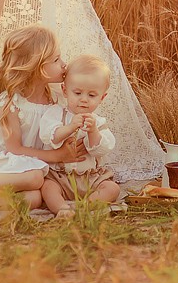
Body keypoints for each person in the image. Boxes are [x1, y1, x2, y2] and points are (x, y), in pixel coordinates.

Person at [0, 25, 86, 211]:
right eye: (55, 59)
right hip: (2, 163)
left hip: (29, 167)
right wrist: (56, 156)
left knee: (34, 198)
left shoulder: (56, 98)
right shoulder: (12, 103)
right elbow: (15, 149)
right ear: (35, 67)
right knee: (36, 177)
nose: (64, 64)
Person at [39, 55, 120, 218]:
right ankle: (62, 209)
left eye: (91, 95)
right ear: (65, 91)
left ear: (102, 97)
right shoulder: (56, 113)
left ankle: (85, 206)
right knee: (47, 187)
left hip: (90, 178)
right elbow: (50, 137)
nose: (83, 100)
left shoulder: (98, 121)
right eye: (77, 93)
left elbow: (102, 149)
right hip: (60, 177)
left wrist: (93, 132)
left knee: (112, 189)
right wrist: (69, 127)